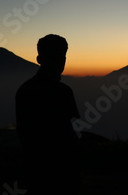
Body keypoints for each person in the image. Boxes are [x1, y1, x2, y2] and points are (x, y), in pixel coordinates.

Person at [15, 34, 81, 194]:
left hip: (34, 169)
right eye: (61, 56)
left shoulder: (24, 90)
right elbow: (68, 131)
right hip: (61, 170)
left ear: (39, 58)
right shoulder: (63, 91)